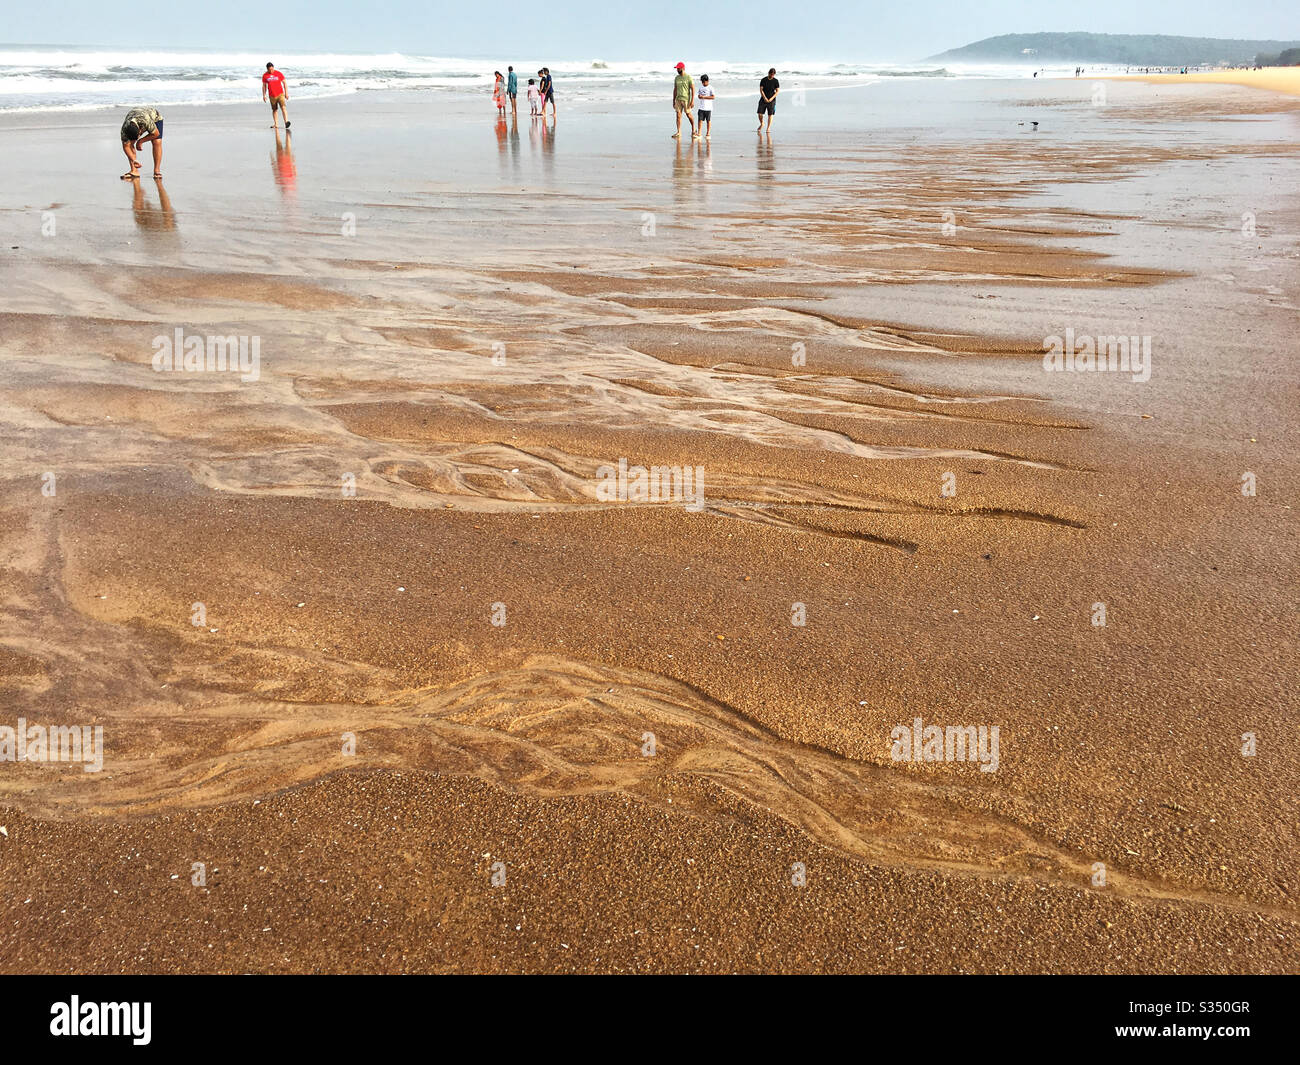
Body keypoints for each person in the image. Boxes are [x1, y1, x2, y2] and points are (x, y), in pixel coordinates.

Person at [119, 106, 163, 180]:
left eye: (138, 136)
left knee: (156, 141)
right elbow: (126, 146)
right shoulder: (124, 129)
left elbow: (156, 134)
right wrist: (134, 160)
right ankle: (134, 170)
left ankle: (157, 170)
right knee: (130, 144)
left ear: (140, 130)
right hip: (135, 116)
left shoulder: (145, 121)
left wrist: (140, 141)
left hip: (155, 117)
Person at [262, 62, 290, 130]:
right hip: (272, 95)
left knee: (283, 107)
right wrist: (264, 95)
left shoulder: (278, 73)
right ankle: (276, 124)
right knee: (274, 110)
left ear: (273, 67)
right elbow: (264, 86)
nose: (271, 71)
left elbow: (284, 83)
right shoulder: (265, 75)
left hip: (280, 94)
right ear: (267, 69)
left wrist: (286, 93)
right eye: (269, 70)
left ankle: (286, 122)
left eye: (272, 69)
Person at [671, 61, 695, 139]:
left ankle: (693, 130)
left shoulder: (688, 77)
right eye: (677, 68)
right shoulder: (676, 78)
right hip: (678, 99)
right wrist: (673, 100)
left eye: (678, 68)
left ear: (682, 68)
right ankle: (679, 132)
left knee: (688, 115)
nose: (677, 70)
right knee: (678, 115)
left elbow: (693, 89)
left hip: (686, 99)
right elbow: (675, 89)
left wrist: (692, 100)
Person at [696, 73, 714, 140]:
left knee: (708, 120)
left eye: (704, 82)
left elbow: (713, 97)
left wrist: (704, 97)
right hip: (701, 107)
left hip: (708, 108)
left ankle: (708, 133)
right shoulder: (700, 87)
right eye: (702, 82)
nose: (703, 83)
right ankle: (699, 133)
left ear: (707, 81)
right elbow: (699, 95)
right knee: (700, 120)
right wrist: (699, 96)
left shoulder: (711, 88)